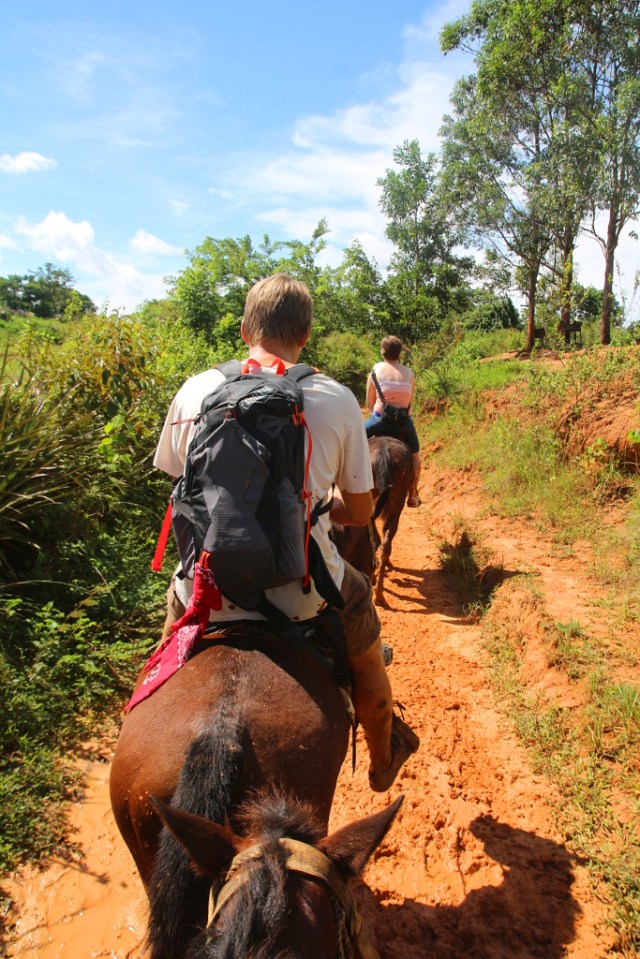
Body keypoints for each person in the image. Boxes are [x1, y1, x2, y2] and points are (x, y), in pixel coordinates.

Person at [154, 274, 419, 792]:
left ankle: (138, 707)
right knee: (363, 627)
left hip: (207, 589)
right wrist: (319, 506)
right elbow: (359, 513)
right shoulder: (335, 398)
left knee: (164, 648)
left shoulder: (195, 389)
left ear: (243, 329)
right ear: (306, 333)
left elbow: (178, 487)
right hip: (303, 592)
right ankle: (383, 754)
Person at [365, 335, 422, 507]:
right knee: (415, 456)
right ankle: (413, 493)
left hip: (379, 420)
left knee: (353, 444)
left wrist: (378, 417)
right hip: (404, 423)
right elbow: (409, 401)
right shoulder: (410, 374)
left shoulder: (375, 373)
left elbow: (369, 404)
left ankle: (350, 487)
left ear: (382, 351)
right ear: (400, 353)